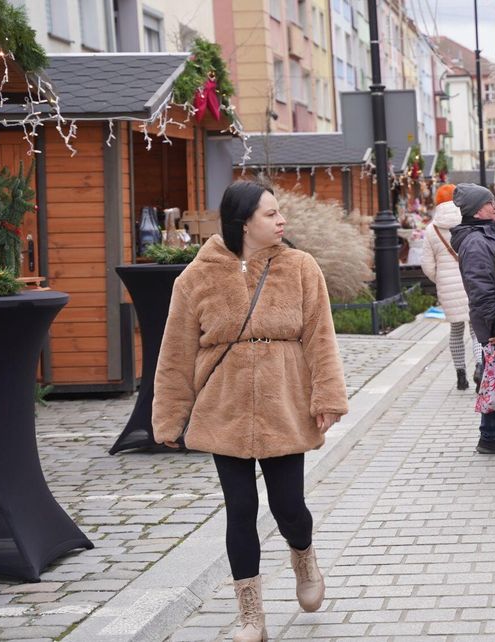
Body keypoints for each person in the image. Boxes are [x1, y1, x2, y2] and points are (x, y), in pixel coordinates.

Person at [153, 181, 347, 642]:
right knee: (239, 508)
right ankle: (251, 617)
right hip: (224, 406)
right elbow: (176, 353)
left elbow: (321, 337)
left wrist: (327, 398)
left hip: (283, 402)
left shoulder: (301, 267)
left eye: (279, 213)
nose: (281, 221)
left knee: (288, 508)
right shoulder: (196, 278)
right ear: (244, 222)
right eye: (270, 214)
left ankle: (304, 558)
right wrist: (169, 417)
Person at [450, 184, 495, 455]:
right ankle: (490, 435)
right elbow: (481, 288)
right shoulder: (477, 241)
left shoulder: (482, 235)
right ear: (478, 210)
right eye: (491, 202)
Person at [421, 184, 474, 391]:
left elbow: (427, 265)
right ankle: (480, 366)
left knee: (456, 330)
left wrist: (440, 279)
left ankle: (461, 375)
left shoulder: (431, 229)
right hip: (470, 281)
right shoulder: (467, 221)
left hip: (446, 284)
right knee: (476, 330)